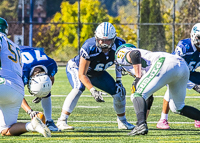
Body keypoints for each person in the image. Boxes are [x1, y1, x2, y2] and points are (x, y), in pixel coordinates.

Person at [56, 22, 135, 130]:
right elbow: (82, 74)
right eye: (101, 39)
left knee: (118, 92)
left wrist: (119, 81)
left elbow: (119, 63)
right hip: (77, 68)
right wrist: (93, 90)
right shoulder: (89, 46)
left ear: (113, 39)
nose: (103, 43)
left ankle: (122, 122)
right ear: (96, 37)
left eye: (107, 40)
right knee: (79, 87)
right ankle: (61, 121)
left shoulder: (120, 44)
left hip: (97, 72)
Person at [115, 43, 200, 136]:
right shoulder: (146, 58)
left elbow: (135, 54)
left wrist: (138, 76)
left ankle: (140, 125)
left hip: (166, 62)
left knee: (137, 93)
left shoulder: (121, 52)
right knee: (178, 107)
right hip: (182, 65)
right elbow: (148, 97)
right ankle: (141, 124)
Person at [0, 17, 51, 137]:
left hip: (3, 84)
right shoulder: (15, 46)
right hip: (17, 92)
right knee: (5, 130)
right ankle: (32, 125)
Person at [156, 23, 200, 129]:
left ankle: (197, 117)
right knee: (171, 92)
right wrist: (194, 85)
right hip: (174, 71)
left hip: (190, 72)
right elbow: (177, 66)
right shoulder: (185, 46)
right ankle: (163, 119)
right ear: (194, 36)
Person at [20, 46, 60, 132]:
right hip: (17, 52)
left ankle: (49, 121)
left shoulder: (50, 65)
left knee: (45, 89)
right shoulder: (22, 71)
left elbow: (51, 79)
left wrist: (42, 94)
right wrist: (29, 111)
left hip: (33, 55)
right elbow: (17, 94)